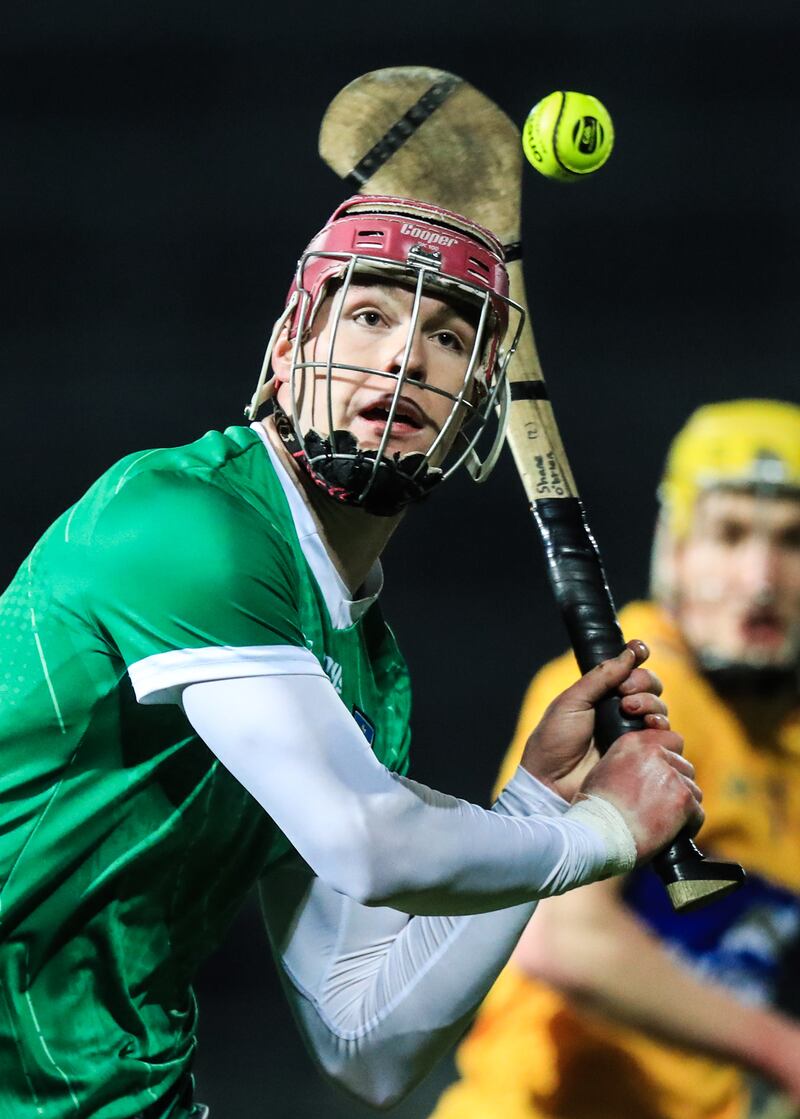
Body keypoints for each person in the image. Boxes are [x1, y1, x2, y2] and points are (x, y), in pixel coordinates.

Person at [0, 195, 702, 1119]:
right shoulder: (181, 521)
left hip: (122, 1097)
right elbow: (364, 839)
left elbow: (363, 1036)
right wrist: (601, 831)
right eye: (370, 314)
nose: (407, 354)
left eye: (449, 338)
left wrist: (539, 801)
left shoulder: (367, 669)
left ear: (478, 404)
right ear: (289, 345)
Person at [432, 399, 800, 1119]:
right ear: (678, 550)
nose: (762, 577)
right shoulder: (628, 685)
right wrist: (781, 1048)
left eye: (792, 541)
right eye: (729, 535)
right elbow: (562, 938)